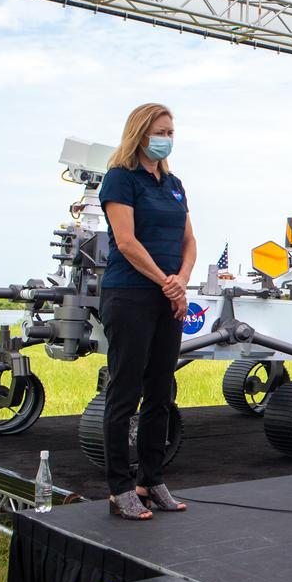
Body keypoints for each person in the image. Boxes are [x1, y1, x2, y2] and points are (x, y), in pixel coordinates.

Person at [98, 103, 196, 520]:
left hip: (167, 296)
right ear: (140, 134)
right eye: (161, 131)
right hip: (131, 295)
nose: (167, 139)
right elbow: (127, 242)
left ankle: (151, 479)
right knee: (126, 391)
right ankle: (120, 486)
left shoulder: (173, 183)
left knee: (161, 390)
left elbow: (189, 239)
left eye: (172, 132)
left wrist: (181, 281)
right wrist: (165, 281)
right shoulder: (120, 179)